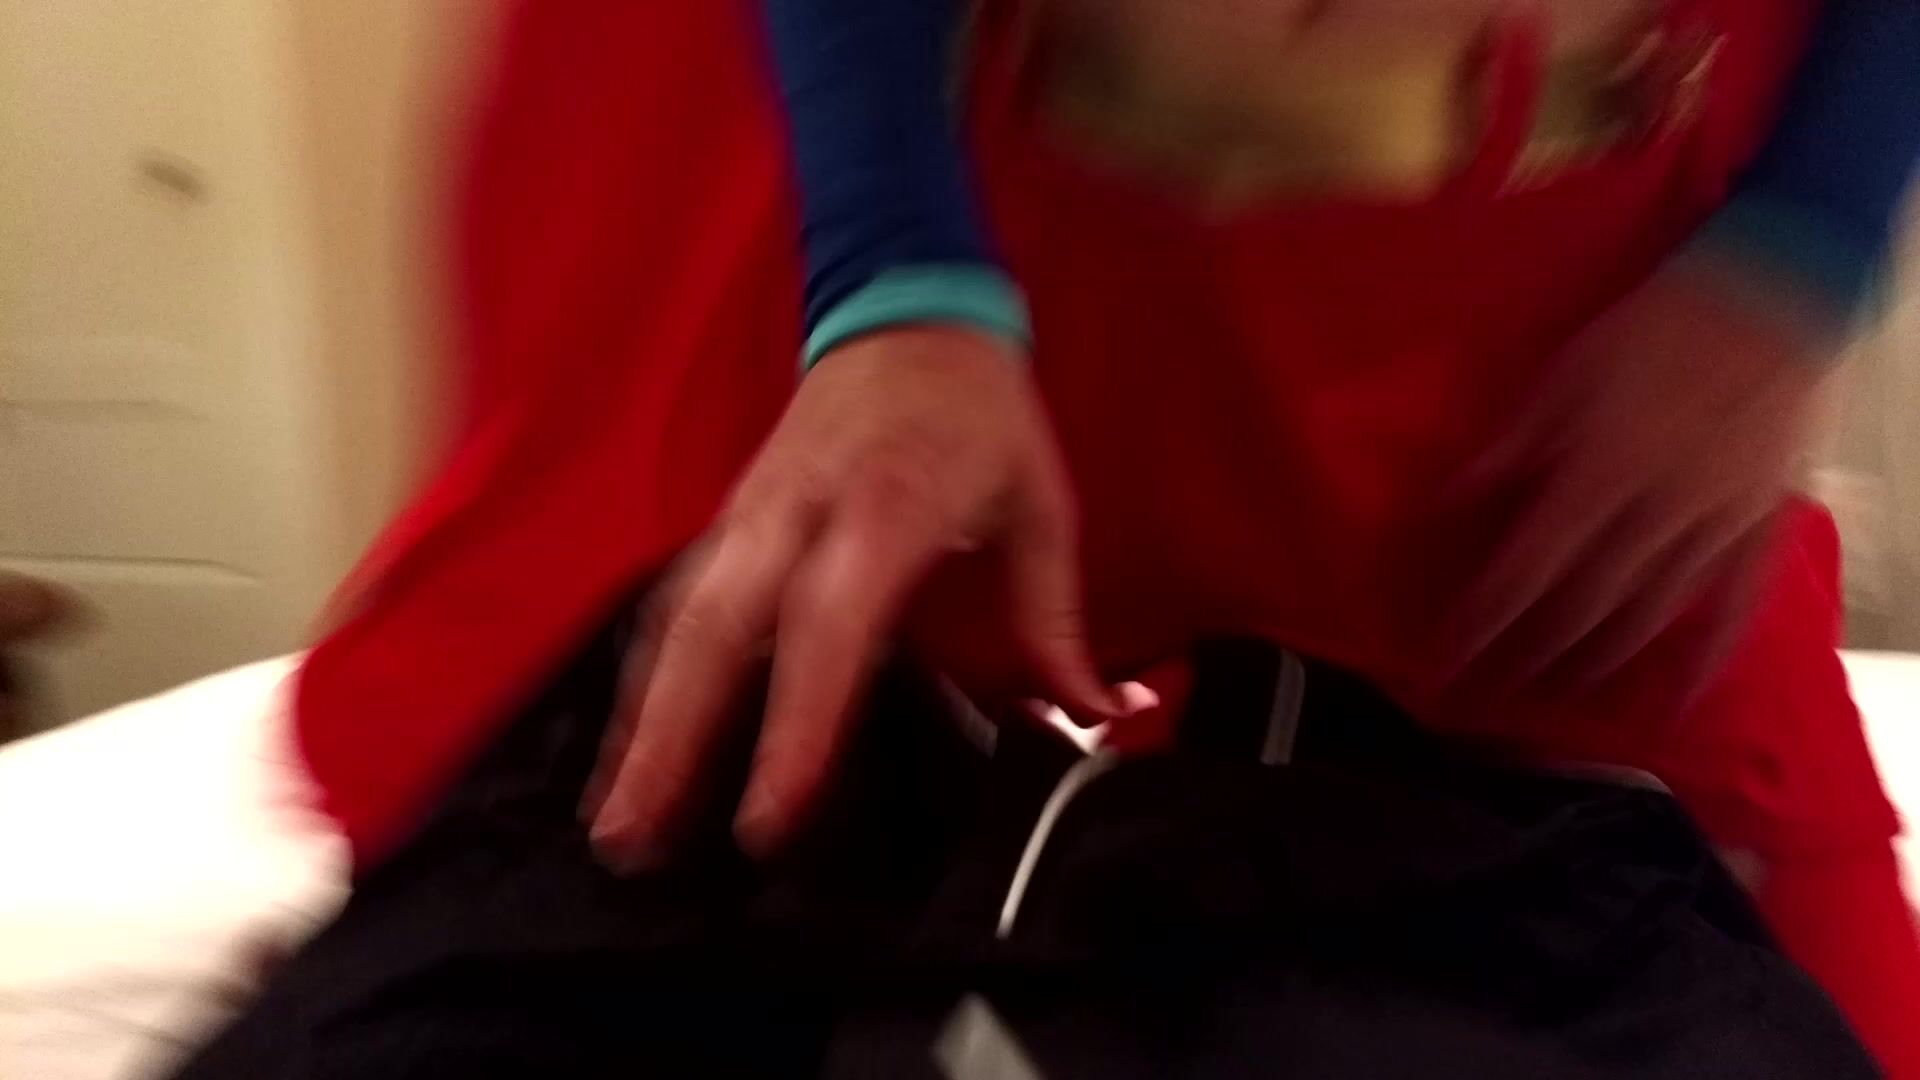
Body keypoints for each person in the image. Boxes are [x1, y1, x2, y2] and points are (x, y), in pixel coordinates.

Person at [293, 0, 1920, 1072]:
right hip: (917, 171)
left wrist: (1796, 253)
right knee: (652, 771)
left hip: (1528, 283)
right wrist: (892, 273)